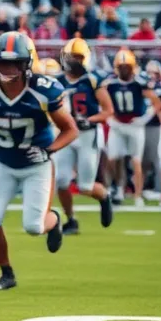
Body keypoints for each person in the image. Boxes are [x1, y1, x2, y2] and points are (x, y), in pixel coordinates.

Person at [0, 32, 76, 290]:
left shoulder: (43, 90)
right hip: (2, 162)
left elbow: (70, 129)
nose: (8, 69)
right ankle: (6, 273)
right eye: (2, 62)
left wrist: (49, 151)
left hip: (36, 165)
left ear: (27, 63)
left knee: (34, 227)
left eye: (15, 63)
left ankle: (55, 220)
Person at [55, 37, 114, 234]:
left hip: (88, 135)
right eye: (71, 56)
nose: (74, 60)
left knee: (85, 186)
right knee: (61, 181)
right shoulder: (57, 81)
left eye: (78, 57)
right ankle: (71, 220)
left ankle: (104, 197)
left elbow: (107, 110)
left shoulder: (93, 79)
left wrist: (90, 119)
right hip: (66, 134)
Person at [102, 48, 161, 207]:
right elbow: (102, 101)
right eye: (121, 66)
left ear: (132, 66)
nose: (124, 69)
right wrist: (109, 117)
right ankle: (117, 189)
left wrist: (144, 118)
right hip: (118, 124)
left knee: (136, 161)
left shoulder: (140, 82)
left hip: (135, 126)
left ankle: (137, 196)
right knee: (113, 158)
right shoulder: (110, 83)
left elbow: (157, 103)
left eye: (126, 66)